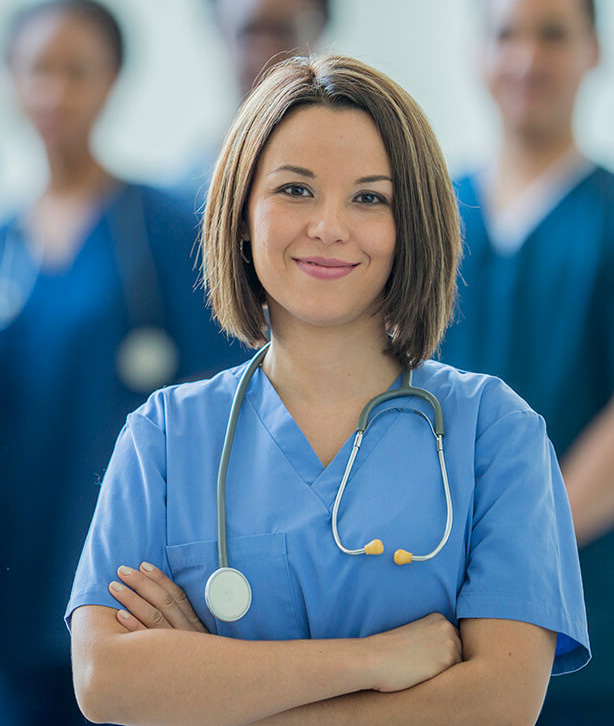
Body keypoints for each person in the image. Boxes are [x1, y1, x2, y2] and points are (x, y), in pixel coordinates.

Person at [67, 54, 589, 725]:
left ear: (413, 227)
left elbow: (498, 702)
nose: (329, 226)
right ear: (243, 215)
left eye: (370, 197)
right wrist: (373, 660)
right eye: (295, 190)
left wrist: (214, 693)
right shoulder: (165, 436)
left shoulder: (496, 433)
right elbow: (105, 679)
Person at [0, 2, 244, 723]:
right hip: (17, 564)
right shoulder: (7, 238)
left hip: (124, 573)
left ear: (113, 83)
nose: (56, 93)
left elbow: (217, 403)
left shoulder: (162, 226)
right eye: (39, 70)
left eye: (79, 72)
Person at [439, 0, 614, 721]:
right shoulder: (429, 214)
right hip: (427, 584)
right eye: (506, 35)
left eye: (553, 35)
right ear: (478, 55)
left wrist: (518, 550)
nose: (527, 59)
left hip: (580, 580)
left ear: (593, 52)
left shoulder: (604, 214)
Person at [176, 0, 329, 202]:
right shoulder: (182, 200)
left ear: (317, 32)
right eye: (250, 33)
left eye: (282, 32)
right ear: (222, 34)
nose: (267, 53)